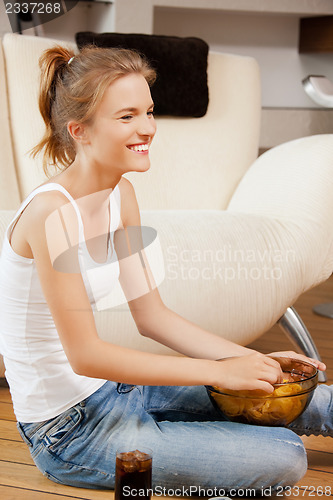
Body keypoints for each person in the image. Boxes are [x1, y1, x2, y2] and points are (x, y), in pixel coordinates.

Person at [0, 44, 331, 496]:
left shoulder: (122, 196)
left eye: (149, 112)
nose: (147, 128)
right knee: (284, 456)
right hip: (69, 432)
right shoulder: (51, 215)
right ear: (81, 131)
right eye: (127, 116)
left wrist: (244, 359)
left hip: (119, 389)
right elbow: (85, 355)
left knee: (304, 392)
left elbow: (152, 316)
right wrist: (217, 373)